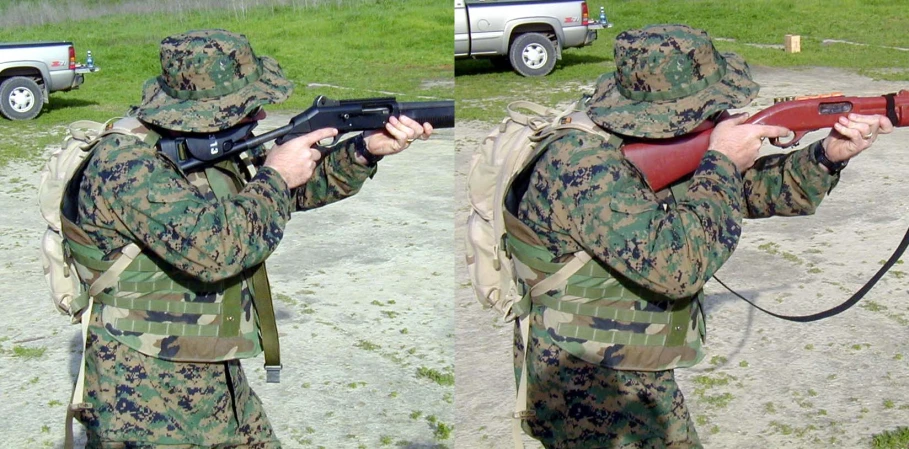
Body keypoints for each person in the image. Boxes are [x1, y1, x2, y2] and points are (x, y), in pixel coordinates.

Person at [504, 24, 892, 448]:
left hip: (625, 363)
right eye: (710, 106)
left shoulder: (638, 138)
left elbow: (745, 193)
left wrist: (828, 155)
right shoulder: (583, 165)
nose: (722, 113)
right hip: (590, 381)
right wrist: (722, 159)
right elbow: (677, 266)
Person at [66, 29, 432, 448]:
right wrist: (276, 174)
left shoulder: (206, 144)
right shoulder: (128, 166)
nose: (259, 116)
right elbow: (219, 249)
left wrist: (366, 150)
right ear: (209, 111)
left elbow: (293, 191)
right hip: (144, 386)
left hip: (210, 365)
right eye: (247, 105)